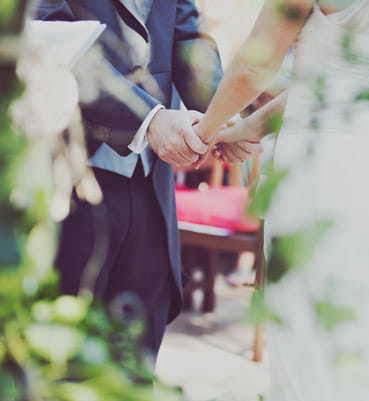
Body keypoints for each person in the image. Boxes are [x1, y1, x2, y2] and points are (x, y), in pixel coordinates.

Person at [194, 0, 369, 399]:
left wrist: (201, 135)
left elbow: (253, 67)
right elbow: (336, 78)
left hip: (326, 172)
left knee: (314, 339)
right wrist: (247, 130)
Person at [35, 0, 259, 358]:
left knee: (138, 355)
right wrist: (148, 120)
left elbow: (188, 37)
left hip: (152, 188)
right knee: (58, 356)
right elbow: (48, 40)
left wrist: (220, 119)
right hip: (69, 178)